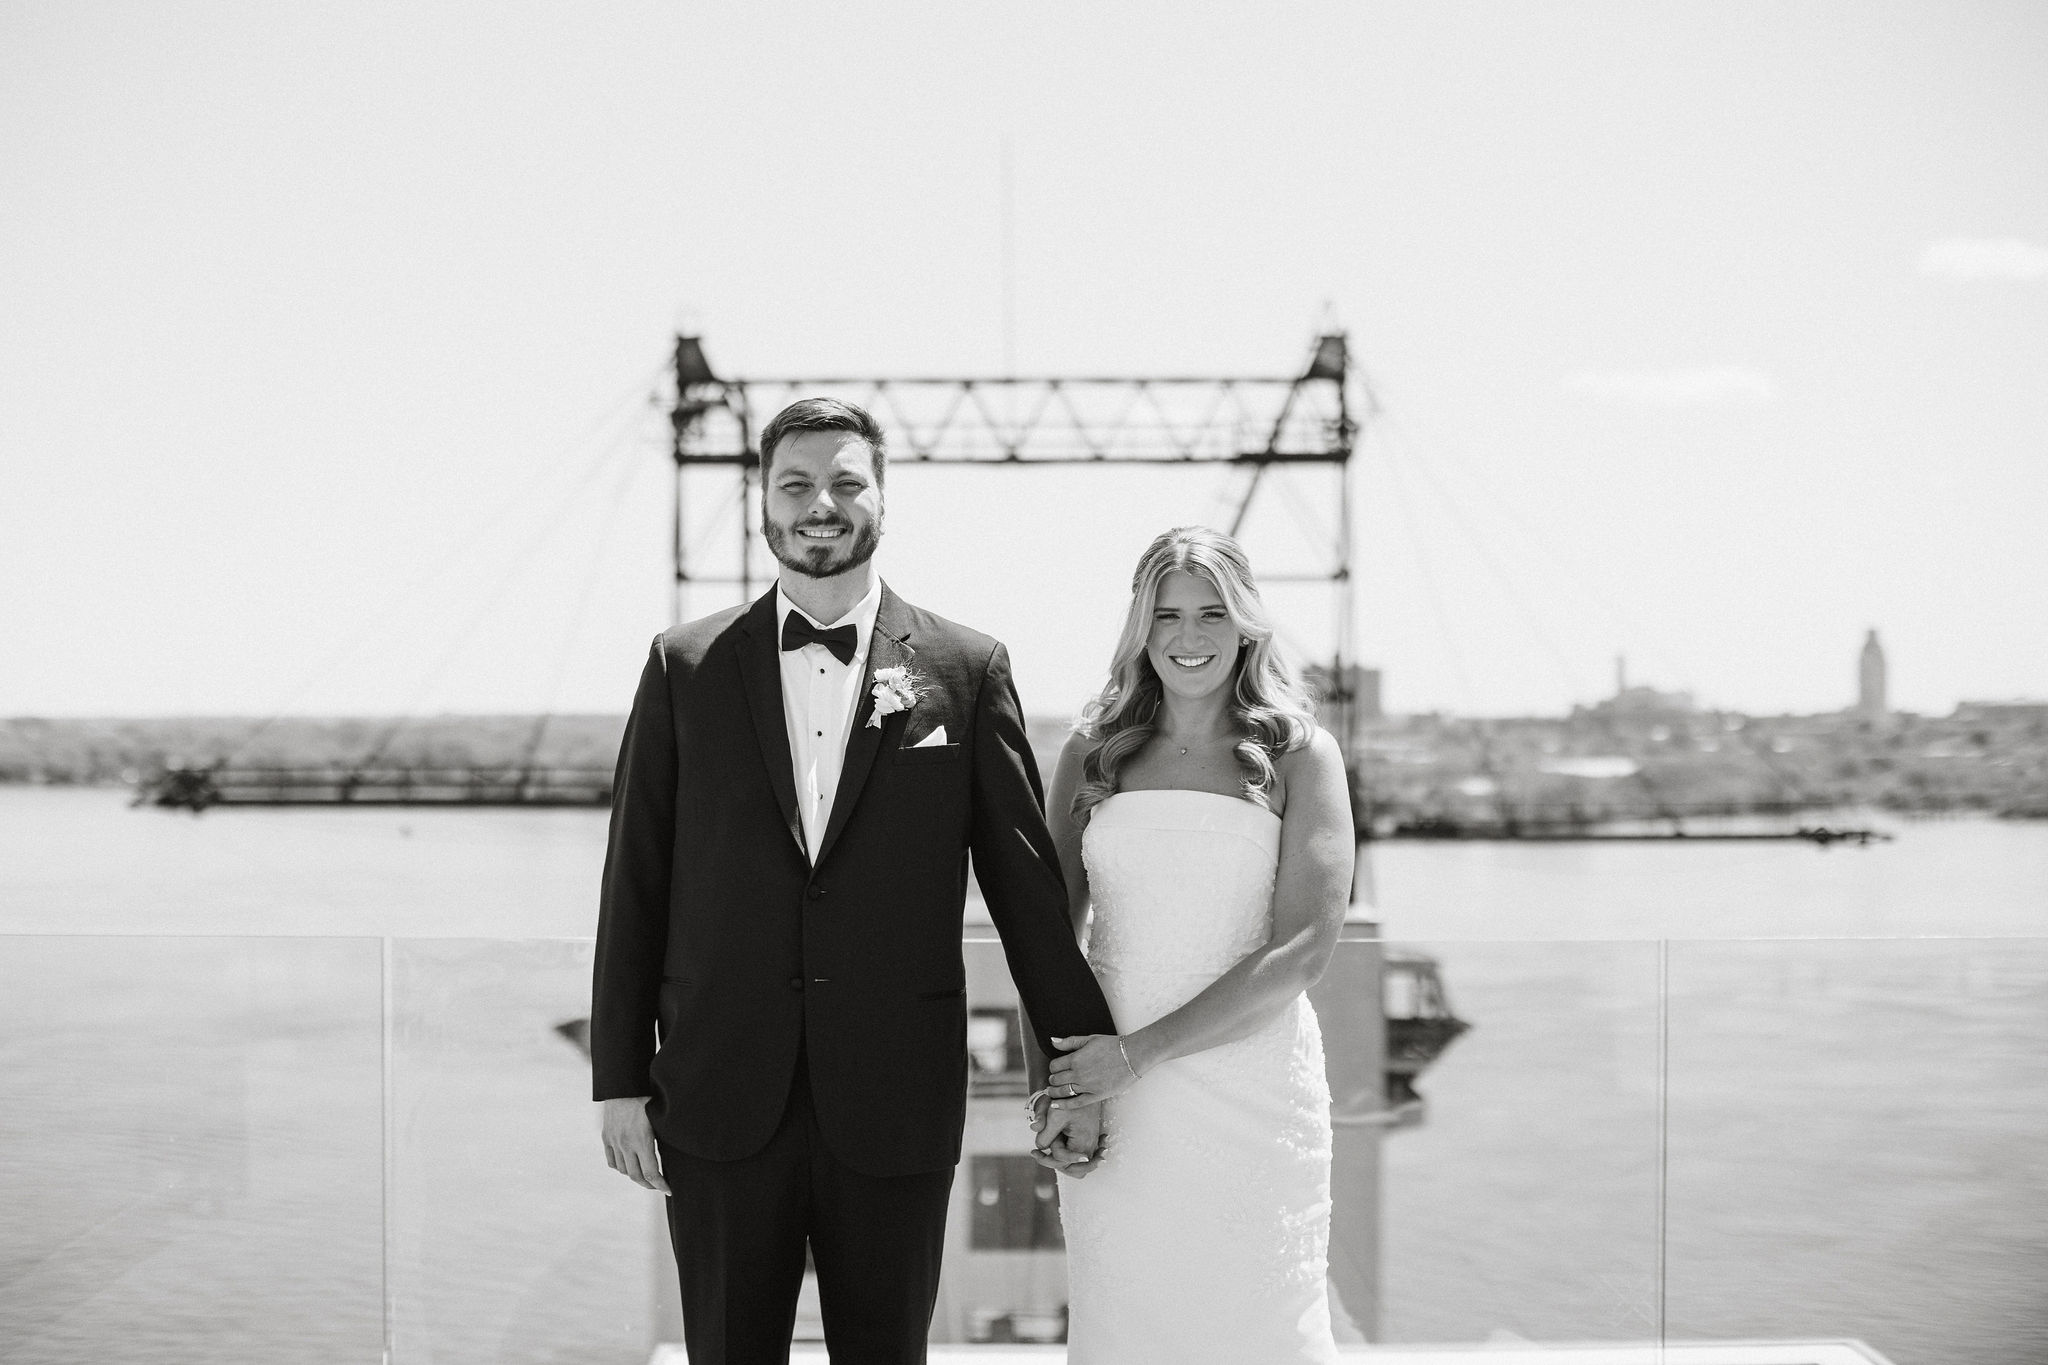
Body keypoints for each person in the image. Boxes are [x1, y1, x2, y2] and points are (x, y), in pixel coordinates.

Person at [590, 397, 1114, 1365]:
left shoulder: (965, 669)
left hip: (894, 1104)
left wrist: (1080, 1064)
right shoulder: (682, 668)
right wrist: (618, 1081)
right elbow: (637, 883)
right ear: (762, 502)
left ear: (882, 497)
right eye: (794, 484)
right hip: (717, 1097)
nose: (817, 504)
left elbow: (1027, 897)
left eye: (842, 482)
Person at [1031, 524, 1355, 1364]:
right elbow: (1048, 935)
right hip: (1113, 1095)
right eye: (1167, 614)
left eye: (1211, 613)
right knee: (1127, 1325)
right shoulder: (1091, 751)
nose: (1188, 637)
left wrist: (1136, 1055)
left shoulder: (1301, 756)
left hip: (1251, 1095)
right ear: (1140, 626)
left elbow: (1304, 950)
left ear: (1246, 622)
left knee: (1261, 1326)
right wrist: (1062, 1089)